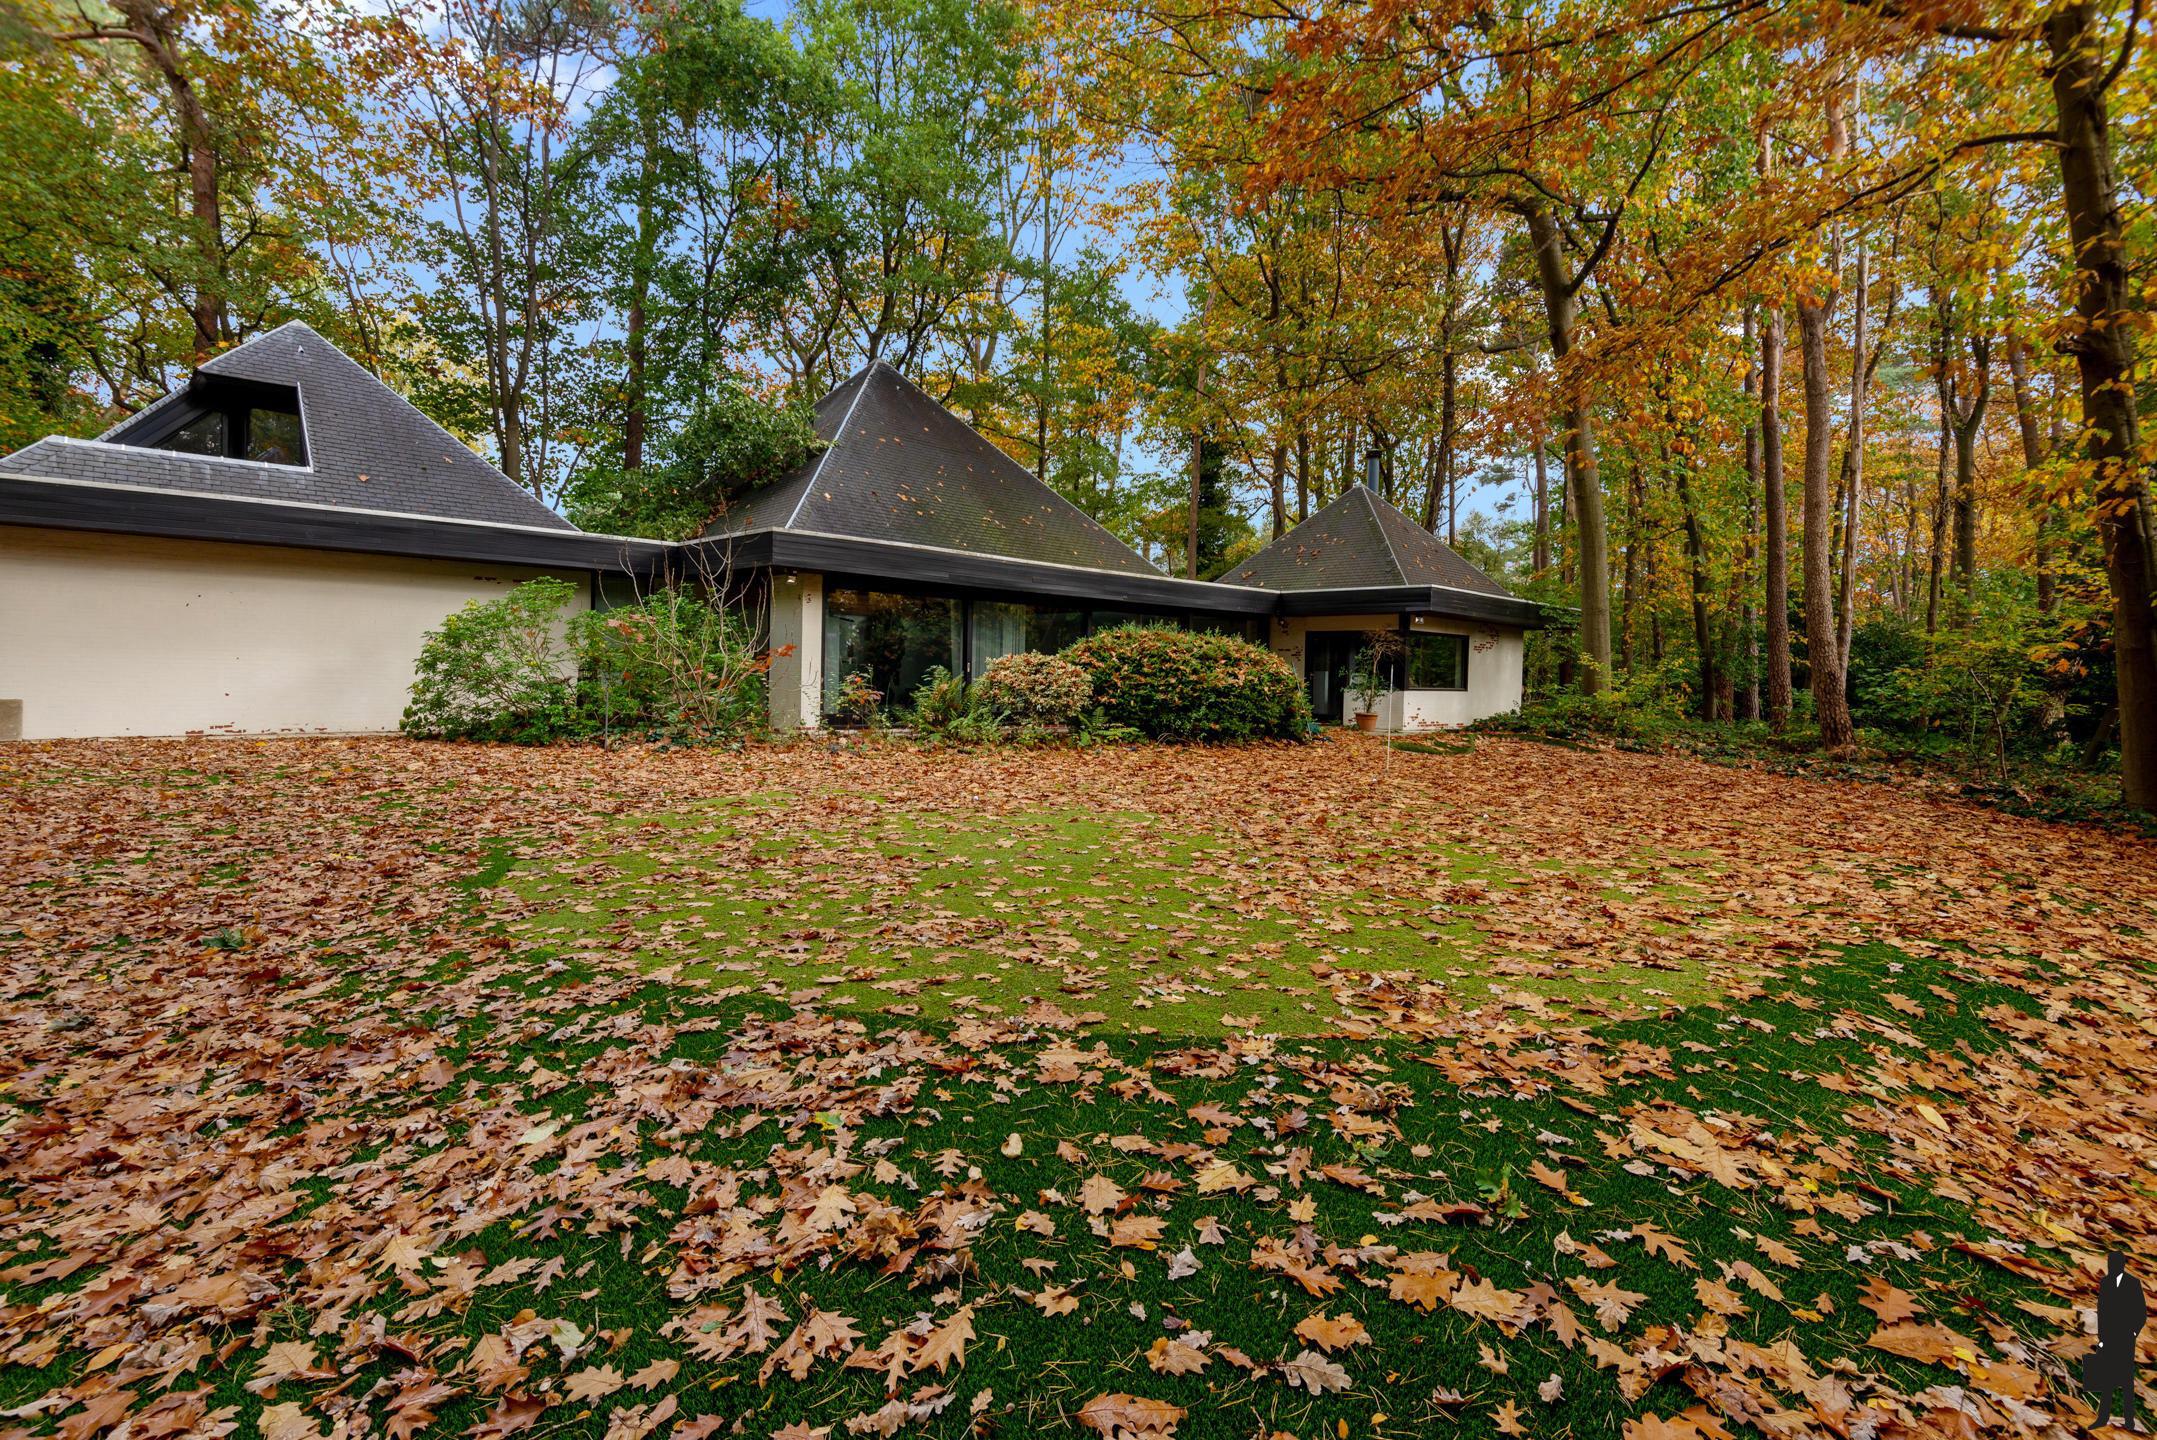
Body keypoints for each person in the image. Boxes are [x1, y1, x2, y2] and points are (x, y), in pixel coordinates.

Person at [2091, 1250, 2146, 1431]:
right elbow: (2102, 1311)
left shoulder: (2133, 1283)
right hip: (2108, 1337)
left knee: (2126, 1381)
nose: (2111, 1267)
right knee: (2107, 1378)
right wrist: (2101, 1337)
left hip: (2125, 1338)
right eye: (2110, 1263)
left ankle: (2129, 1420)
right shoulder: (2105, 1283)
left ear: (2121, 1264)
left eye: (2114, 1263)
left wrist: (2133, 1333)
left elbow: (2141, 1313)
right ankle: (2102, 1417)